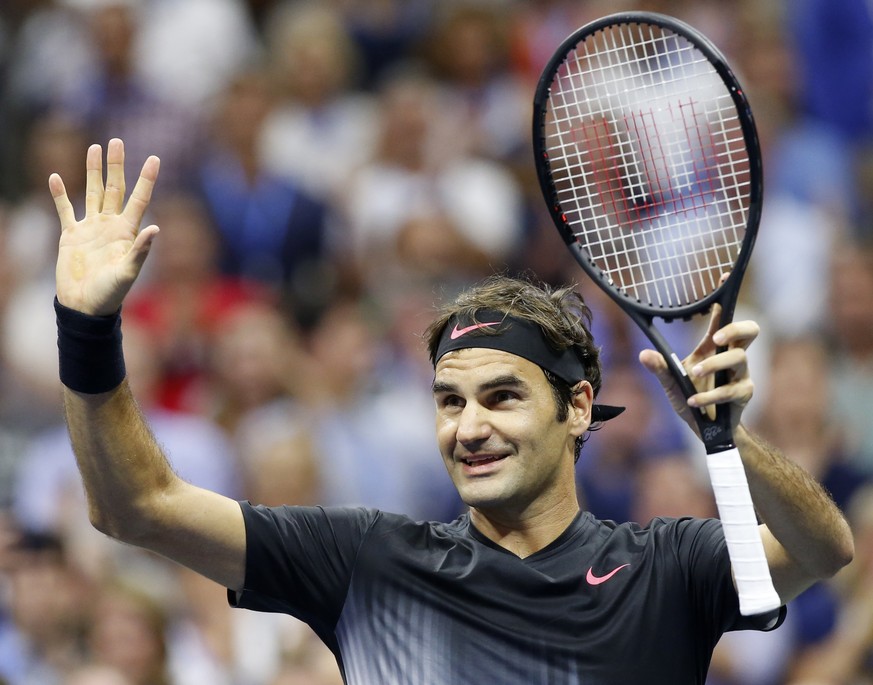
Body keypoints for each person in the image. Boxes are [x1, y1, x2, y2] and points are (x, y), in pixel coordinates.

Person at [49, 139, 853, 684]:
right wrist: (87, 331)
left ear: (577, 408)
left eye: (501, 396)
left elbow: (822, 547)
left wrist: (729, 439)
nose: (468, 427)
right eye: (448, 401)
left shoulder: (667, 567)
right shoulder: (360, 560)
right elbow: (137, 507)